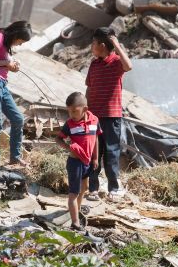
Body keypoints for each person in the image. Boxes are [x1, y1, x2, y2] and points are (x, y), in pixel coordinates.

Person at [85, 27, 133, 200]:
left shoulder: (116, 62)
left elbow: (129, 66)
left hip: (111, 117)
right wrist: (86, 111)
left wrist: (116, 44)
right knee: (93, 153)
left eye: (93, 43)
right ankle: (93, 189)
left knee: (112, 152)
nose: (91, 47)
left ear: (103, 45)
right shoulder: (94, 63)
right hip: (94, 116)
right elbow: (89, 88)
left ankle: (113, 188)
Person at [0, 20, 32, 170]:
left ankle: (15, 158)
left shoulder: (7, 43)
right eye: (20, 41)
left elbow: (2, 62)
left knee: (17, 119)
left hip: (1, 83)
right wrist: (7, 64)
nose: (20, 44)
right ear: (15, 35)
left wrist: (12, 66)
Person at [56, 92, 101, 232]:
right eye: (69, 111)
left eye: (74, 111)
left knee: (84, 188)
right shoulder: (70, 124)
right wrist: (69, 147)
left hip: (87, 161)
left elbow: (95, 140)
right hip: (75, 162)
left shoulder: (94, 121)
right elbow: (58, 139)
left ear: (85, 109)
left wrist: (95, 158)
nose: (71, 114)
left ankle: (77, 210)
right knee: (73, 193)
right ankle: (75, 223)